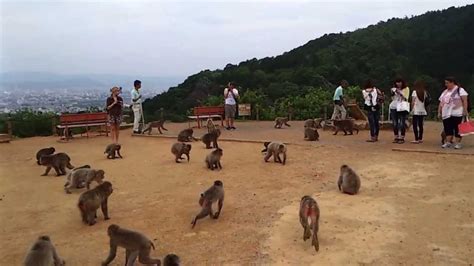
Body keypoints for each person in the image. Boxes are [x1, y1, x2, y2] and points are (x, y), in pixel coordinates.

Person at [438, 76, 469, 149]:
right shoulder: (445, 92)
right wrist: (439, 111)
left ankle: (458, 143)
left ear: (452, 83)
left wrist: (465, 110)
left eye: (447, 83)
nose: (446, 84)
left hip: (457, 112)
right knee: (448, 128)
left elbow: (465, 100)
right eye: (445, 83)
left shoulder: (460, 90)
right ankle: (448, 142)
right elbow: (441, 102)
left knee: (458, 128)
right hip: (446, 113)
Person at [389, 78, 410, 144]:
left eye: (399, 82)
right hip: (394, 106)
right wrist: (393, 92)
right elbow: (392, 98)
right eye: (397, 82)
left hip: (402, 107)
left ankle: (402, 137)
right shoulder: (394, 89)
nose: (398, 84)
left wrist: (399, 92)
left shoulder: (406, 89)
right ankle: (396, 136)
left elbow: (405, 97)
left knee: (402, 123)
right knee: (395, 123)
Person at [410, 80, 428, 144]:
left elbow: (413, 102)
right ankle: (420, 138)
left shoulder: (414, 92)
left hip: (416, 110)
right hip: (422, 110)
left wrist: (411, 109)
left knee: (415, 125)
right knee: (420, 125)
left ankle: (416, 138)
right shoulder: (424, 92)